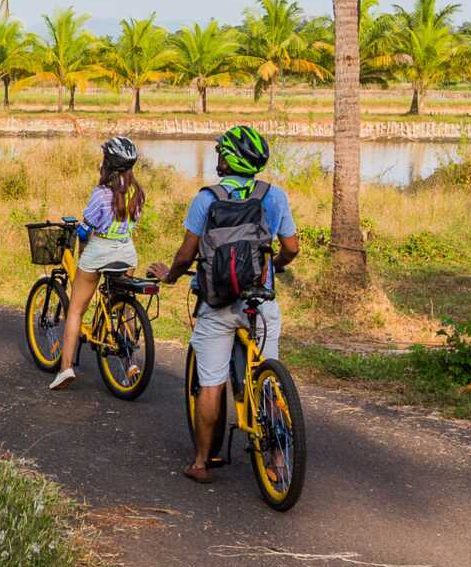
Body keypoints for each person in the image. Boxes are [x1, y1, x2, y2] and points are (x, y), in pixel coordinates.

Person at [149, 125, 300, 483]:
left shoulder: (206, 199)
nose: (216, 157)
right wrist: (272, 268)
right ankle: (278, 461)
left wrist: (170, 275)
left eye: (220, 152)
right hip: (259, 303)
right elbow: (292, 248)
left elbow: (187, 253)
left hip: (217, 305)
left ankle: (202, 462)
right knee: (269, 378)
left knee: (211, 382)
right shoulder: (273, 196)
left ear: (228, 159)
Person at [50, 136, 146, 390]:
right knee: (124, 311)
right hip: (126, 252)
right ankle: (132, 364)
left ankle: (66, 368)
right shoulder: (138, 193)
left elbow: (86, 229)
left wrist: (77, 230)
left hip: (99, 251)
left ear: (107, 165)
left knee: (75, 309)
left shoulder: (101, 194)